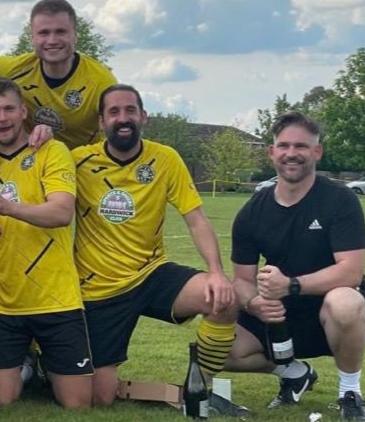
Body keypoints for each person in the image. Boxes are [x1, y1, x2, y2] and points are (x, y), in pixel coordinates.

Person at [68, 84, 244, 413]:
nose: (123, 118)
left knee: (223, 298)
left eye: (130, 111)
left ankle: (199, 386)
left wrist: (218, 274)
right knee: (99, 398)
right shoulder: (79, 161)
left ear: (143, 116)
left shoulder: (165, 158)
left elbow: (195, 219)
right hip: (99, 289)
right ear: (101, 121)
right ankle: (150, 390)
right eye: (114, 112)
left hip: (152, 274)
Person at [226, 111, 365, 420]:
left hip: (332, 308)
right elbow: (242, 279)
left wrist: (292, 285)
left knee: (345, 301)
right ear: (272, 152)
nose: (291, 154)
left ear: (316, 152)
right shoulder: (251, 211)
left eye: (301, 146)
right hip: (282, 314)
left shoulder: (339, 199)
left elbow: (351, 272)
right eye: (283, 146)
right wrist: (253, 303)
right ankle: (295, 373)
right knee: (219, 347)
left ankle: (350, 392)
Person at [0, 78, 89, 409]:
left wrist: (8, 208)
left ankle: (49, 366)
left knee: (78, 403)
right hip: (3, 302)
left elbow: (62, 212)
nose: (3, 118)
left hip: (55, 297)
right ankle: (28, 363)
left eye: (9, 108)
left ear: (24, 111)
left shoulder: (52, 150)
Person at [0, 0, 119, 148]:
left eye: (60, 32)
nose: (52, 40)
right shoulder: (13, 69)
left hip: (83, 165)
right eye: (44, 33)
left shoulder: (101, 81)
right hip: (31, 161)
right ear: (32, 37)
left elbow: (119, 132)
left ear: (75, 34)